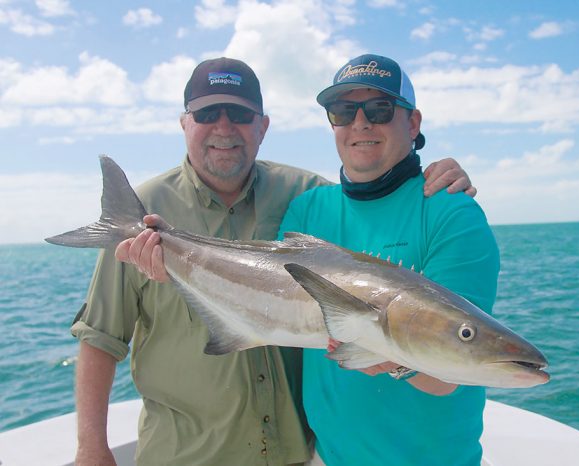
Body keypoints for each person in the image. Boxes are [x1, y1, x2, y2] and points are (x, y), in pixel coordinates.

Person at [72, 56, 475, 466]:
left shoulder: (303, 194)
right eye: (208, 113)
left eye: (241, 115)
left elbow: (369, 196)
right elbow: (100, 337)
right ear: (184, 123)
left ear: (262, 127)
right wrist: (91, 450)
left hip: (293, 454)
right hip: (185, 454)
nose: (224, 128)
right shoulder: (142, 218)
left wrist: (432, 175)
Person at [276, 54, 500, 465]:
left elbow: (455, 369)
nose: (360, 123)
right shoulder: (305, 212)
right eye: (343, 111)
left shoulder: (452, 213)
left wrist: (388, 357)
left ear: (413, 124)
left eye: (379, 109)